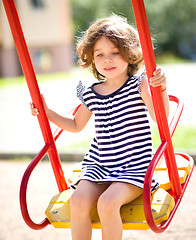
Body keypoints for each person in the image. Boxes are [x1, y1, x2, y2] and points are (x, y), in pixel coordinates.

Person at [31, 15, 169, 240]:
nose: (108, 60)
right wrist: (47, 112)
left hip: (133, 167)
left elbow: (159, 117)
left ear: (130, 53)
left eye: (115, 52)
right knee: (77, 201)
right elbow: (76, 125)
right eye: (100, 54)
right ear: (92, 59)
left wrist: (159, 89)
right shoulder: (92, 92)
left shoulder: (139, 84)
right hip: (100, 164)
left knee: (107, 203)